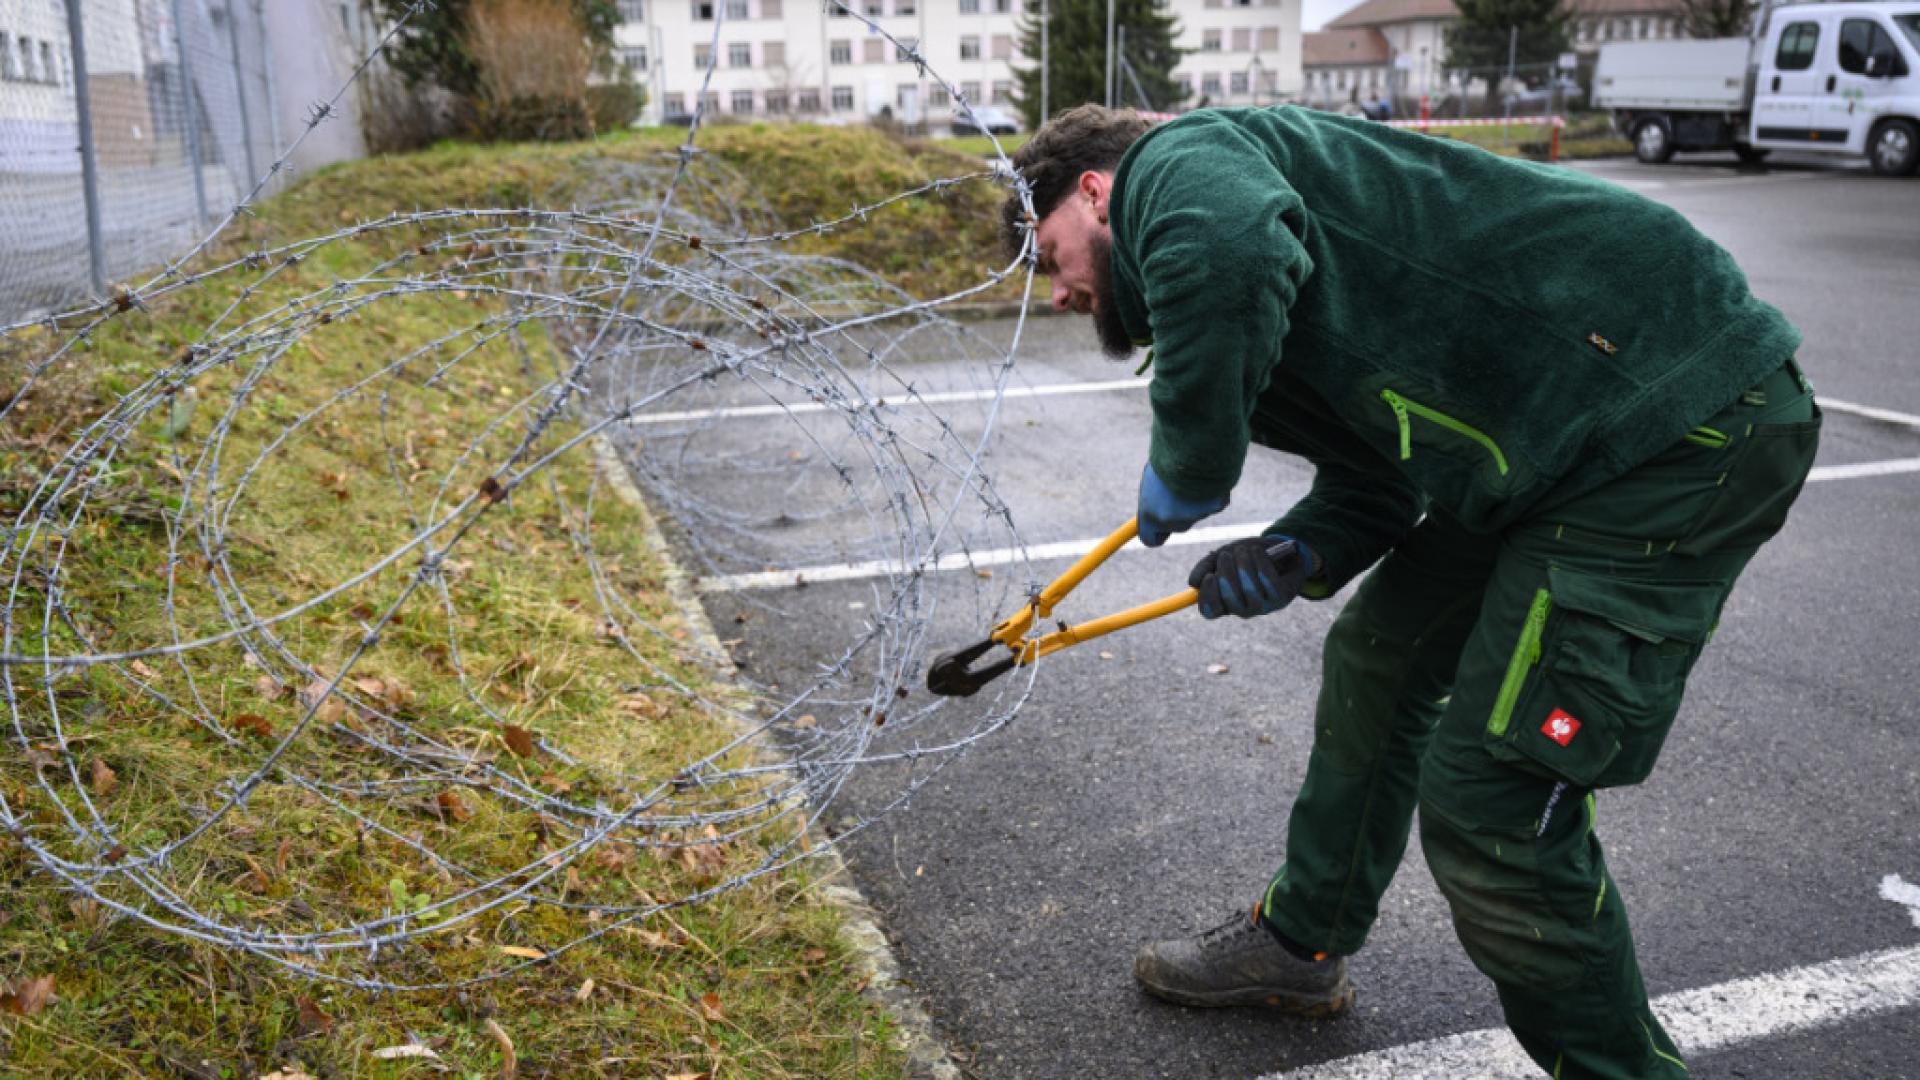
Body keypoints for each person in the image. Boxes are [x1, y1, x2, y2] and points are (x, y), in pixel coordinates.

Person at [1000, 103, 1818, 1080]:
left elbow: (1224, 255)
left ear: (1096, 190)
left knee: (1491, 805)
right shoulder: (1239, 305)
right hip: (1546, 454)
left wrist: (1190, 458)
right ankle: (1301, 943)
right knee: (1378, 657)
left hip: (1664, 422)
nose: (1054, 293)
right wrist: (1296, 553)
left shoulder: (1177, 162)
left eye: (1047, 255)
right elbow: (1376, 480)